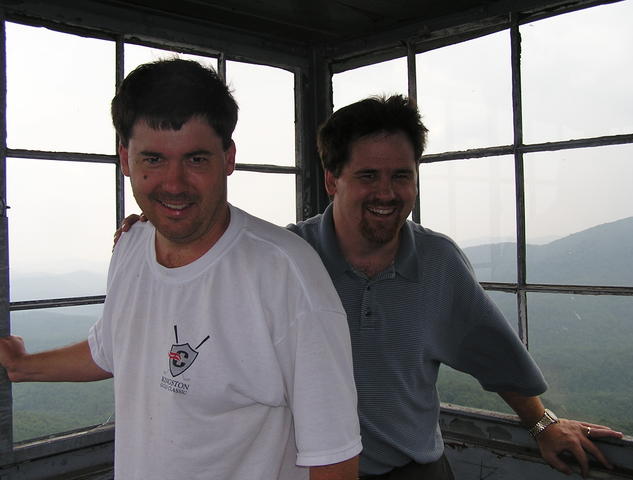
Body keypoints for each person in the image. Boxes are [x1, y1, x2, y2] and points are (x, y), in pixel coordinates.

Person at [113, 94, 624, 479]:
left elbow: (491, 351)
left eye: (402, 175)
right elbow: (202, 279)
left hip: (415, 469)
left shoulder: (438, 263)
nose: (387, 193)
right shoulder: (289, 261)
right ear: (333, 179)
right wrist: (159, 227)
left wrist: (541, 424)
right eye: (368, 176)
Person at [0, 59, 362, 480]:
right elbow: (112, 350)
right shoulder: (131, 246)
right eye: (153, 159)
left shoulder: (287, 274)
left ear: (228, 158)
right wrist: (22, 367)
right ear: (125, 159)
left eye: (195, 159)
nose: (173, 184)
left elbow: (334, 460)